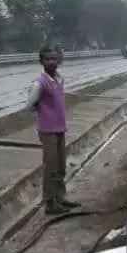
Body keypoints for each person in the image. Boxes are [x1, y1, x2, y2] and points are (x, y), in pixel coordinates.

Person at [26, 47, 80, 215]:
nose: (51, 62)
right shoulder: (39, 83)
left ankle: (60, 197)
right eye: (48, 59)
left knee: (61, 166)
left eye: (54, 59)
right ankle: (50, 203)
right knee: (51, 167)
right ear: (42, 61)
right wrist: (42, 109)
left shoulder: (59, 79)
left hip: (60, 128)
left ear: (59, 61)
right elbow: (30, 105)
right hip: (47, 130)